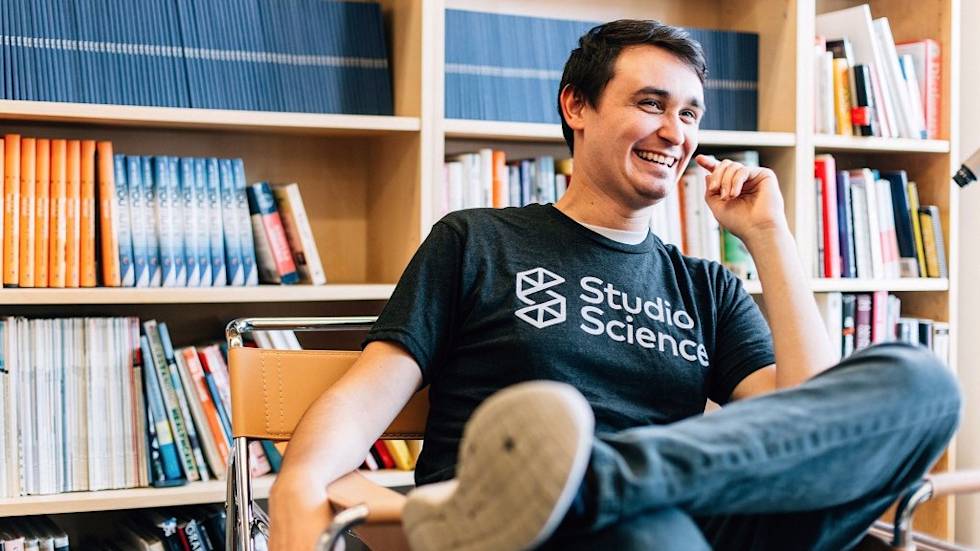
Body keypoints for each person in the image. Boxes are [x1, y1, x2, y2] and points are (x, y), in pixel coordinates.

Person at [269, 19, 961, 551]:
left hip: (687, 516)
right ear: (576, 105)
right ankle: (584, 494)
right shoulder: (477, 241)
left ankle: (591, 480)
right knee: (649, 534)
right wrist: (303, 486)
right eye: (652, 103)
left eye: (689, 113)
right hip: (554, 539)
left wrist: (771, 238)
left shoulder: (707, 287)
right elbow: (358, 407)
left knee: (924, 382)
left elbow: (812, 422)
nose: (674, 131)